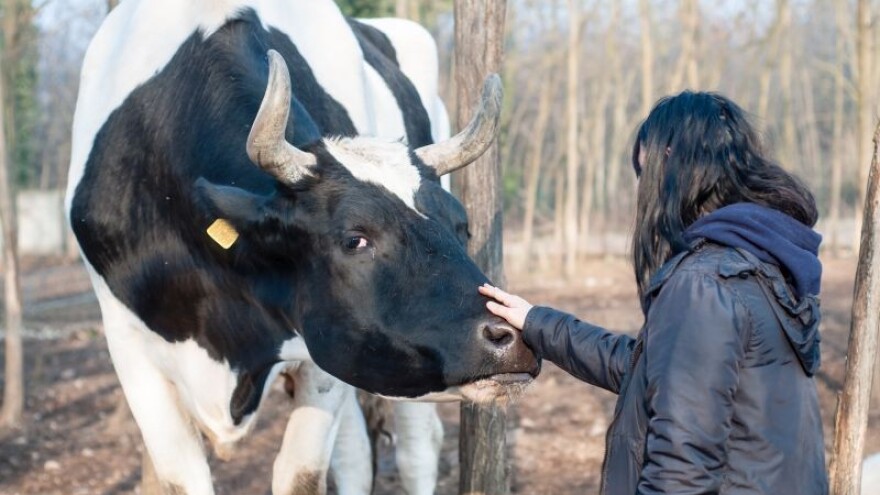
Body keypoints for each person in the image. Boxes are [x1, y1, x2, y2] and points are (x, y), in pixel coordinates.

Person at [480, 91, 828, 494]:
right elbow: (651, 368)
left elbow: (683, 466)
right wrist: (537, 322)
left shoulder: (704, 283)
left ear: (670, 162)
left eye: (644, 174)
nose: (641, 192)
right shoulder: (763, 265)